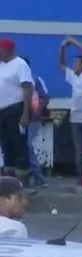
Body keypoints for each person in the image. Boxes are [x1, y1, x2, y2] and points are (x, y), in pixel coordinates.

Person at [58, 36, 82, 182]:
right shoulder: (72, 76)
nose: (73, 64)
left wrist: (71, 40)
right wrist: (62, 48)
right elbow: (61, 65)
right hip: (75, 117)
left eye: (75, 62)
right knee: (79, 150)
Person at [0, 39, 34, 186]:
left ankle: (23, 183)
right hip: (2, 111)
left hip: (16, 109)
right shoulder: (1, 66)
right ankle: (9, 184)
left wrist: (25, 113)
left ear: (7, 50)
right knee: (6, 146)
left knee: (18, 145)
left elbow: (28, 88)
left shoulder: (20, 64)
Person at [21, 56, 49, 188]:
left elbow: (45, 97)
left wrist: (37, 112)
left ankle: (38, 177)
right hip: (18, 119)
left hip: (33, 120)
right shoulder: (16, 81)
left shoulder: (36, 80)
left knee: (27, 146)